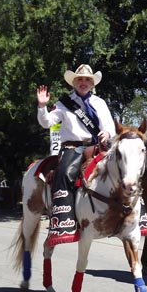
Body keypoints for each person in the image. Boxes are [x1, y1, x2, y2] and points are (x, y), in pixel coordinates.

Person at [37, 64, 116, 245]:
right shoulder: (64, 104)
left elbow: (109, 125)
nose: (83, 82)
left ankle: (122, 215)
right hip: (73, 148)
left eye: (87, 79)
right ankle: (65, 220)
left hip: (96, 146)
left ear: (91, 83)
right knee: (64, 173)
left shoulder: (99, 103)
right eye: (79, 79)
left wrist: (108, 133)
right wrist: (42, 106)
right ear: (74, 82)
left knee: (120, 169)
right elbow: (46, 122)